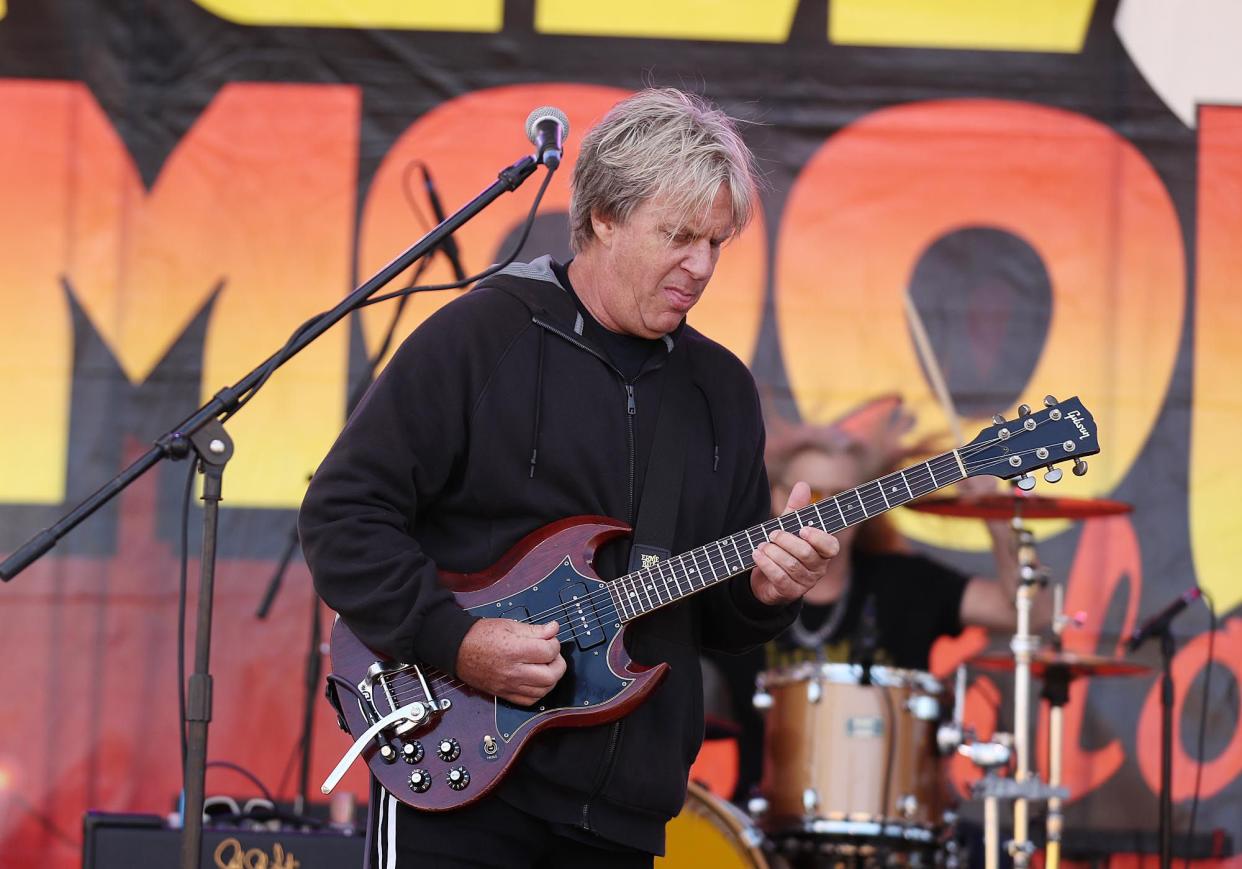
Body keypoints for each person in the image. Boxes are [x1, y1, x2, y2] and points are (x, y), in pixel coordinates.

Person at [298, 88, 838, 868]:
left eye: (717, 243)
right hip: (461, 787)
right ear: (603, 218)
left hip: (621, 813)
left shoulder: (719, 390)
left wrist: (768, 593)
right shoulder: (483, 335)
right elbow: (343, 513)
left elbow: (717, 623)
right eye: (679, 236)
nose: (701, 265)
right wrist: (458, 641)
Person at [703, 397, 1050, 803]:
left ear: (864, 506)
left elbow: (1029, 612)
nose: (824, 512)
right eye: (812, 493)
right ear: (776, 497)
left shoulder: (905, 582)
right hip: (762, 818)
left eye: (841, 497)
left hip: (891, 816)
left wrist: (993, 513)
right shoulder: (735, 590)